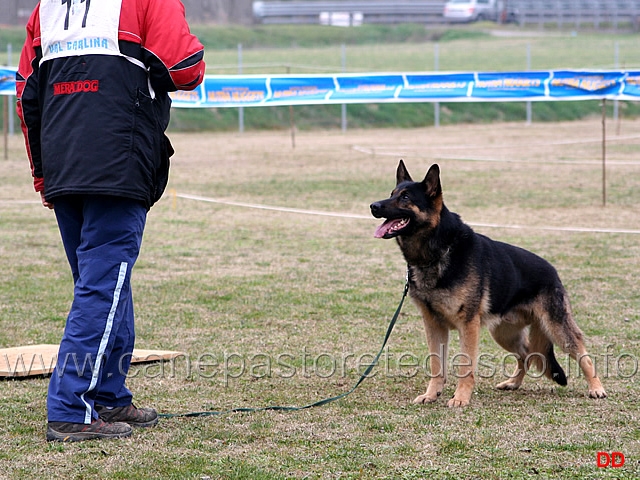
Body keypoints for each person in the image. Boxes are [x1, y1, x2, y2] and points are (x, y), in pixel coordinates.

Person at [16, 0, 205, 442]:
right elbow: (185, 67)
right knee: (102, 287)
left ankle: (110, 395)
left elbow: (27, 97)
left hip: (63, 165)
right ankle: (70, 409)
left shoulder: (45, 9)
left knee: (104, 283)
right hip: (117, 162)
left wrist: (42, 172)